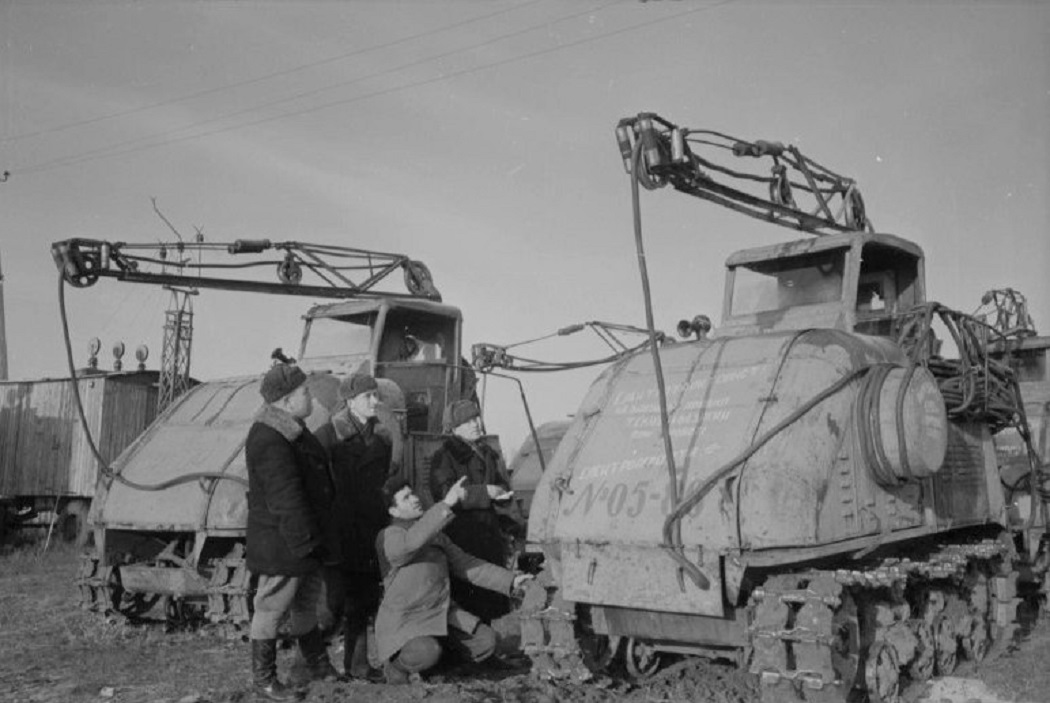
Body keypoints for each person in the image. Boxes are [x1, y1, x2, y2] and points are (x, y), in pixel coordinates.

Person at [374, 476, 532, 684]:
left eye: (413, 493)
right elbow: (407, 547)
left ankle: (442, 666)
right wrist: (446, 504)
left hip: (441, 613)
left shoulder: (434, 533)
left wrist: (511, 581)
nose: (414, 499)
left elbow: (467, 565)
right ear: (394, 511)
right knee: (426, 652)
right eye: (406, 498)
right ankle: (396, 667)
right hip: (408, 619)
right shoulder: (390, 535)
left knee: (486, 641)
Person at [246, 363, 339, 701]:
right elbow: (286, 498)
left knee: (305, 607)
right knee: (271, 607)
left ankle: (317, 666)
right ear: (285, 401)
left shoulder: (293, 429)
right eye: (304, 391)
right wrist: (305, 544)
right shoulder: (270, 438)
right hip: (285, 543)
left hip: (302, 541)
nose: (310, 395)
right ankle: (264, 681)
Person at [316, 372, 391, 681]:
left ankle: (358, 665)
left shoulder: (382, 439)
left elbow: (379, 486)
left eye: (376, 395)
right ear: (349, 401)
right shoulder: (327, 437)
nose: (376, 401)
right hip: (337, 531)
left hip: (367, 530)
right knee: (330, 605)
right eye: (368, 396)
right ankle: (307, 665)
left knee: (363, 601)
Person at [428, 399, 517, 622]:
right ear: (455, 428)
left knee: (495, 593)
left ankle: (499, 644)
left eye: (477, 418)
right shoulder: (445, 456)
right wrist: (485, 492)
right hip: (463, 536)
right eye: (468, 421)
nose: (476, 424)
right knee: (472, 598)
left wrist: (502, 495)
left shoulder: (488, 452)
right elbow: (444, 493)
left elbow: (501, 483)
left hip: (490, 534)